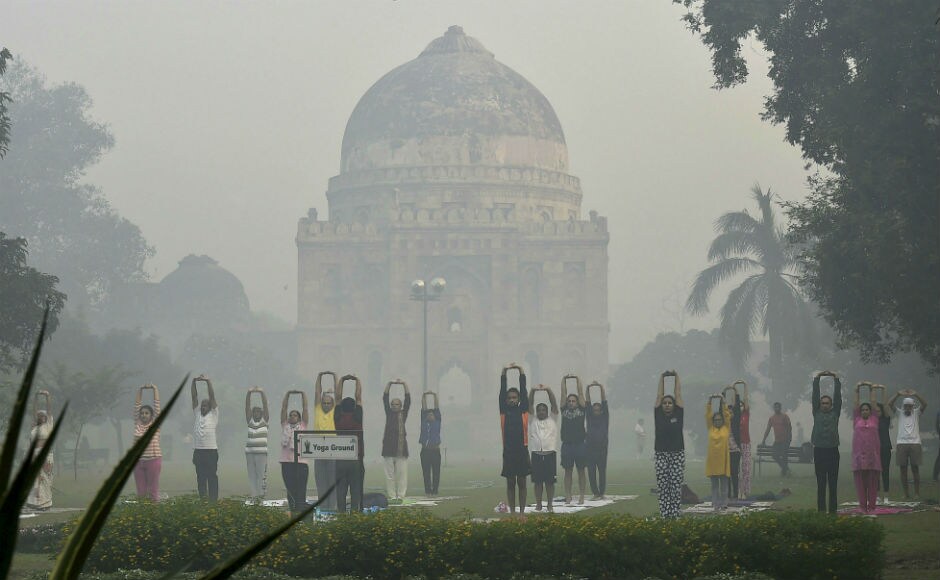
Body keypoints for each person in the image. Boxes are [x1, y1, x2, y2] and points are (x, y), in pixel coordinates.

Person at [499, 363, 529, 515]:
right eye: (509, 398)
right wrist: (504, 373)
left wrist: (520, 371)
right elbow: (501, 391)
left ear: (518, 399)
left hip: (522, 450)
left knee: (522, 482)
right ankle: (512, 512)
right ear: (506, 400)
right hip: (509, 451)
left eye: (514, 397)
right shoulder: (504, 412)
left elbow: (523, 390)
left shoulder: (523, 410)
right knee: (510, 482)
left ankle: (522, 512)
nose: (511, 399)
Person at [654, 370, 684, 518]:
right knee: (663, 486)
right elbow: (659, 395)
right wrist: (662, 377)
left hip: (677, 454)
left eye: (669, 403)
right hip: (661, 454)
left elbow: (677, 394)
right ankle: (665, 514)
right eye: (665, 403)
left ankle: (675, 514)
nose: (666, 405)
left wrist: (676, 376)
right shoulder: (658, 414)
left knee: (675, 486)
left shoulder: (678, 414)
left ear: (673, 405)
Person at [888, 389, 928, 499]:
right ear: (903, 406)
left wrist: (916, 394)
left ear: (912, 406)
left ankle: (916, 493)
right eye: (906, 405)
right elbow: (889, 404)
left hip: (915, 443)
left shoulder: (916, 412)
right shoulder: (899, 412)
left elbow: (925, 404)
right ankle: (906, 494)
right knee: (903, 469)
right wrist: (897, 394)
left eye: (910, 406)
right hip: (901, 443)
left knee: (915, 469)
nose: (908, 407)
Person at [811, 371, 841, 514]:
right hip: (819, 451)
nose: (824, 405)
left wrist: (836, 379)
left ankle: (833, 511)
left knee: (833, 484)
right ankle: (821, 511)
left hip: (833, 451)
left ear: (831, 404)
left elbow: (838, 397)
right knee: (821, 483)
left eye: (827, 403)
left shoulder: (835, 413)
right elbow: (815, 395)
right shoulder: (816, 412)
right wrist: (817, 379)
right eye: (822, 403)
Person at [334, 374, 364, 512]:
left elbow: (337, 398)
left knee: (341, 490)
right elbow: (358, 397)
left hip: (341, 458)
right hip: (355, 458)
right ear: (353, 407)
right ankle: (354, 514)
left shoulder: (338, 417)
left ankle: (341, 514)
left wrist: (342, 379)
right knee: (355, 489)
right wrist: (356, 380)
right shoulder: (357, 417)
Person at [528, 384, 559, 511]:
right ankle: (539, 504)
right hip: (536, 455)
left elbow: (554, 404)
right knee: (537, 482)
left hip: (550, 454)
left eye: (543, 410)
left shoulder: (553, 419)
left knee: (550, 482)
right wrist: (533, 391)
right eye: (539, 410)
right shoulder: (533, 420)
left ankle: (550, 504)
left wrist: (548, 390)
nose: (541, 412)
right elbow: (529, 405)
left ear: (547, 411)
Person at [852, 383, 881, 513]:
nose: (864, 411)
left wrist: (872, 389)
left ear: (870, 411)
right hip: (859, 456)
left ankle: (872, 507)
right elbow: (856, 404)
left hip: (872, 456)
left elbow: (874, 402)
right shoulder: (856, 419)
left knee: (873, 483)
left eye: (867, 409)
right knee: (860, 484)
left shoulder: (874, 419)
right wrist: (857, 389)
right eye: (863, 409)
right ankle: (863, 507)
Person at [382, 379, 412, 503]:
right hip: (388, 448)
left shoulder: (403, 414)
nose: (394, 406)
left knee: (401, 474)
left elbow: (408, 400)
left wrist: (404, 384)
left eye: (397, 404)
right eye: (393, 404)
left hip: (401, 449)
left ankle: (401, 495)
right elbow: (385, 397)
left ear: (400, 406)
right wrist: (389, 384)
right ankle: (392, 495)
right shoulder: (388, 413)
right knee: (389, 475)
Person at [280, 389, 309, 515]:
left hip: (301, 462)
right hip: (287, 462)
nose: (292, 416)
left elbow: (306, 408)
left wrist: (303, 394)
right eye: (291, 415)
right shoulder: (285, 425)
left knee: (301, 488)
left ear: (299, 418)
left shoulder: (303, 426)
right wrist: (287, 394)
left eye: (295, 415)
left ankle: (300, 511)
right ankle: (293, 510)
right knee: (290, 488)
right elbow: (283, 408)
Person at [191, 375, 220, 501]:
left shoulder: (214, 414)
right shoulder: (197, 413)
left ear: (210, 407)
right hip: (198, 451)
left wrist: (208, 381)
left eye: (206, 405)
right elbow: (194, 397)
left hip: (211, 451)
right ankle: (203, 499)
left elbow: (212, 397)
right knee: (200, 477)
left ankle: (213, 500)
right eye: (202, 405)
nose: (203, 407)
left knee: (211, 476)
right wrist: (194, 382)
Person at [559, 374, 587, 505]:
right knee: (568, 471)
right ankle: (568, 495)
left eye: (573, 401)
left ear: (577, 402)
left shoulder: (582, 409)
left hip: (580, 445)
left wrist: (577, 379)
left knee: (581, 471)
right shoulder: (564, 410)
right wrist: (564, 380)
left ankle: (582, 495)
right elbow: (563, 393)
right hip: (567, 445)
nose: (571, 403)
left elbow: (581, 393)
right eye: (569, 401)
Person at [134, 384, 162, 501]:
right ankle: (142, 515)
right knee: (141, 491)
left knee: (152, 490)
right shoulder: (138, 424)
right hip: (138, 461)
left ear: (151, 416)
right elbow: (137, 406)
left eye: (146, 413)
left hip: (153, 460)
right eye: (142, 413)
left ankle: (153, 515)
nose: (144, 415)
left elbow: (157, 406)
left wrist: (154, 389)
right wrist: (140, 389)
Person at [26, 391, 54, 511]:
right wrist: (35, 397)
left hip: (45, 453)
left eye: (43, 416)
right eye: (39, 416)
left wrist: (47, 396)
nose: (41, 417)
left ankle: (45, 503)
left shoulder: (48, 425)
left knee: (44, 477)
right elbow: (34, 410)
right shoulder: (35, 427)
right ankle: (35, 502)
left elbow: (49, 409)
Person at [313, 372, 337, 510]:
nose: (326, 405)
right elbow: (317, 392)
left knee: (332, 480)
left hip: (333, 451)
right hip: (318, 450)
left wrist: (334, 376)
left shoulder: (335, 410)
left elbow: (338, 394)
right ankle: (323, 505)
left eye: (329, 403)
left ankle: (332, 506)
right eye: (324, 402)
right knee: (320, 481)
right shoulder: (318, 410)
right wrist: (320, 375)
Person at [705, 395, 732, 511]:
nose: (717, 421)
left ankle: (724, 503)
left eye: (719, 420)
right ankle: (715, 504)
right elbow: (708, 415)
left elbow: (726, 415)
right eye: (715, 420)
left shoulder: (726, 427)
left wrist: (723, 401)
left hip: (723, 460)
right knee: (715, 485)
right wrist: (710, 401)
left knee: (724, 485)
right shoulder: (710, 428)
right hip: (713, 461)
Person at [585, 381, 610, 499]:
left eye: (598, 409)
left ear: (601, 411)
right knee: (591, 471)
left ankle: (601, 492)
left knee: (601, 471)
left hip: (602, 449)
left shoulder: (605, 418)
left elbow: (604, 402)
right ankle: (595, 492)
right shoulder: (589, 418)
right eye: (594, 409)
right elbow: (587, 403)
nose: (595, 411)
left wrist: (600, 387)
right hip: (590, 449)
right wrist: (588, 388)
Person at [244, 386, 269, 500]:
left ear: (262, 413)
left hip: (261, 453)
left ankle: (261, 495)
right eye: (255, 412)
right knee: (252, 475)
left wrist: (261, 392)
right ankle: (254, 496)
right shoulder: (250, 421)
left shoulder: (264, 421)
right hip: (249, 453)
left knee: (261, 475)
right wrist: (249, 393)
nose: (256, 413)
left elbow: (265, 405)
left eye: (259, 412)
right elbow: (247, 407)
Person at [419, 391, 442, 497]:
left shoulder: (437, 422)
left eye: (432, 414)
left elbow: (437, 407)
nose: (430, 415)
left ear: (435, 416)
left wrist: (434, 395)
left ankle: (435, 490)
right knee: (426, 472)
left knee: (436, 472)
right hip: (425, 451)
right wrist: (424, 396)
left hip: (435, 450)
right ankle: (428, 491)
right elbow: (424, 408)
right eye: (428, 414)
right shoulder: (424, 422)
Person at [872, 384, 893, 502]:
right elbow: (874, 402)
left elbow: (885, 404)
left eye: (880, 411)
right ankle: (878, 495)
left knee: (885, 471)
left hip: (885, 448)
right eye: (876, 411)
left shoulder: (885, 419)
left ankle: (886, 495)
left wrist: (883, 389)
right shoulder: (872, 420)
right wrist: (873, 390)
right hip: (874, 449)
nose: (878, 412)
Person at [761, 402, 792, 476]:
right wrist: (763, 440)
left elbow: (789, 428)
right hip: (777, 441)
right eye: (775, 407)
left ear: (780, 408)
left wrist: (789, 439)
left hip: (785, 440)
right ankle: (786, 469)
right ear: (774, 408)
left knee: (784, 456)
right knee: (774, 455)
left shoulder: (785, 416)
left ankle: (784, 473)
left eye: (778, 407)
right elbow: (768, 429)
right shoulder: (772, 418)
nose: (777, 408)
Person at [722, 385, 742, 501]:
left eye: (731, 412)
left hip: (735, 451)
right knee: (726, 474)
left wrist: (736, 392)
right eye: (728, 412)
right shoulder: (723, 423)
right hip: (725, 451)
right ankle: (728, 494)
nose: (730, 413)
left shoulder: (735, 421)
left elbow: (738, 409)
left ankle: (735, 494)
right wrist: (724, 392)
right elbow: (721, 407)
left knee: (734, 473)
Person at [735, 380, 752, 499]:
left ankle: (744, 491)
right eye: (739, 405)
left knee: (746, 469)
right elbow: (731, 399)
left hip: (746, 443)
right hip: (735, 444)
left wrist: (745, 386)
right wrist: (733, 387)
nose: (741, 406)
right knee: (735, 469)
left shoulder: (746, 414)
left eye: (742, 405)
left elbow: (746, 399)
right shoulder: (733, 416)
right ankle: (736, 491)